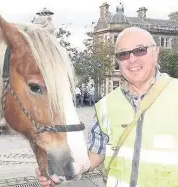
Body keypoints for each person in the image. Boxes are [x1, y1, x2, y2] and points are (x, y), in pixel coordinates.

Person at [36, 27, 178, 187]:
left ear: (156, 52)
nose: (131, 59)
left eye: (140, 50)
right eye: (123, 54)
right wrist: (57, 173)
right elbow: (95, 154)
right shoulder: (106, 105)